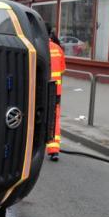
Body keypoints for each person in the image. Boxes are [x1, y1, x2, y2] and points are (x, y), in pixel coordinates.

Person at [46, 33, 66, 161]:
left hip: (40, 89)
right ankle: (54, 149)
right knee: (54, 118)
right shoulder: (58, 49)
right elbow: (63, 69)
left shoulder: (37, 47)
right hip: (55, 90)